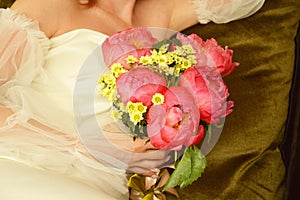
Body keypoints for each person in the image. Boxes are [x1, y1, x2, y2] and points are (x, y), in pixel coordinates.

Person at [0, 0, 265, 199]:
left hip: (102, 184)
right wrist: (85, 146)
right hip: (28, 160)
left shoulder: (162, 12)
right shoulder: (53, 4)